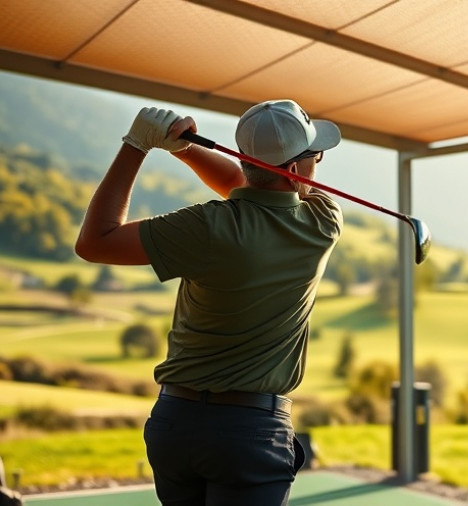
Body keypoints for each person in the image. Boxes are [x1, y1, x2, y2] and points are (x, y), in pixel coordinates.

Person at [75, 99, 343, 505]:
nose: (317, 166)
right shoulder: (323, 219)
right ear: (292, 171)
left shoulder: (206, 226)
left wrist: (139, 145)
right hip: (250, 432)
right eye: (314, 158)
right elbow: (243, 184)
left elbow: (96, 241)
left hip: (175, 424)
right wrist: (184, 149)